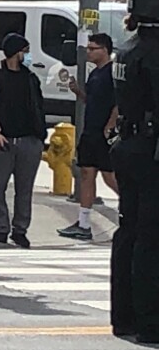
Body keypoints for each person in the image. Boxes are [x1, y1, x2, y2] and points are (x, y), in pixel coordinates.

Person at [109, 0, 159, 345]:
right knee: (150, 237)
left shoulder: (126, 50)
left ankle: (124, 316)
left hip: (128, 145)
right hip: (150, 149)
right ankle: (149, 321)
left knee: (128, 232)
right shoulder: (154, 54)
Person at [0, 33, 46, 248]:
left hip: (29, 140)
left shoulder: (31, 79)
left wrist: (40, 136)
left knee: (25, 188)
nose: (28, 55)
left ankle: (20, 229)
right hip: (3, 140)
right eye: (25, 51)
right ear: (15, 52)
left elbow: (39, 107)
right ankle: (1, 228)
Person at [58, 33, 119, 240]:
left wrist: (110, 126)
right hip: (90, 130)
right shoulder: (95, 74)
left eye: (93, 49)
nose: (89, 52)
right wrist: (78, 92)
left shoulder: (111, 73)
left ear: (105, 50)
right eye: (88, 49)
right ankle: (83, 224)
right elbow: (92, 101)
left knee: (109, 176)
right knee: (86, 173)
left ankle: (135, 208)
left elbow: (118, 103)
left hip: (102, 132)